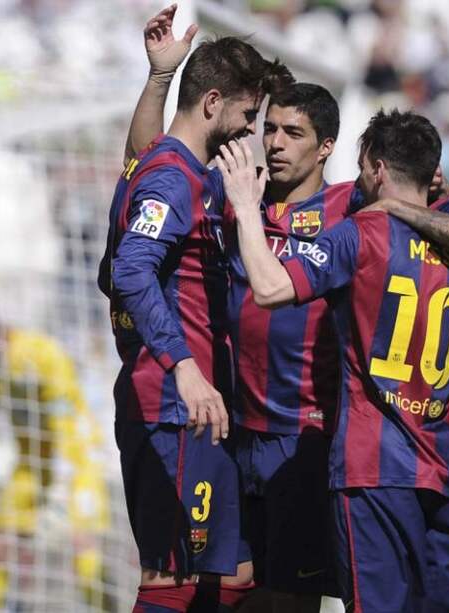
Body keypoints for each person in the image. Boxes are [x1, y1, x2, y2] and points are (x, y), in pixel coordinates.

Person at [121, 7, 449, 612]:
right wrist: (160, 80)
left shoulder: (353, 209)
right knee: (226, 587)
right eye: (268, 128)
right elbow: (153, 156)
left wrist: (404, 212)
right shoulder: (235, 190)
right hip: (234, 428)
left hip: (307, 436)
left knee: (288, 596)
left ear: (327, 147)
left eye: (291, 134)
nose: (272, 143)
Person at [216, 109, 449, 613]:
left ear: (377, 169)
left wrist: (247, 208)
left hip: (372, 468)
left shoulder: (360, 234)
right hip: (445, 465)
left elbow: (270, 287)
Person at [98, 6, 294, 611]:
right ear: (212, 103)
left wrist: (158, 78)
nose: (250, 130)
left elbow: (146, 153)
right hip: (171, 404)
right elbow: (130, 269)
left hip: (198, 408)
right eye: (245, 114)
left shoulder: (177, 170)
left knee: (231, 576)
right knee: (173, 579)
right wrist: (185, 367)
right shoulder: (171, 178)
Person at [0, 303, 110, 613]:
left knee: (82, 547)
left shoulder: (41, 354)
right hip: (31, 465)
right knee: (1, 548)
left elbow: (66, 424)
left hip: (77, 461)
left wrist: (59, 490)